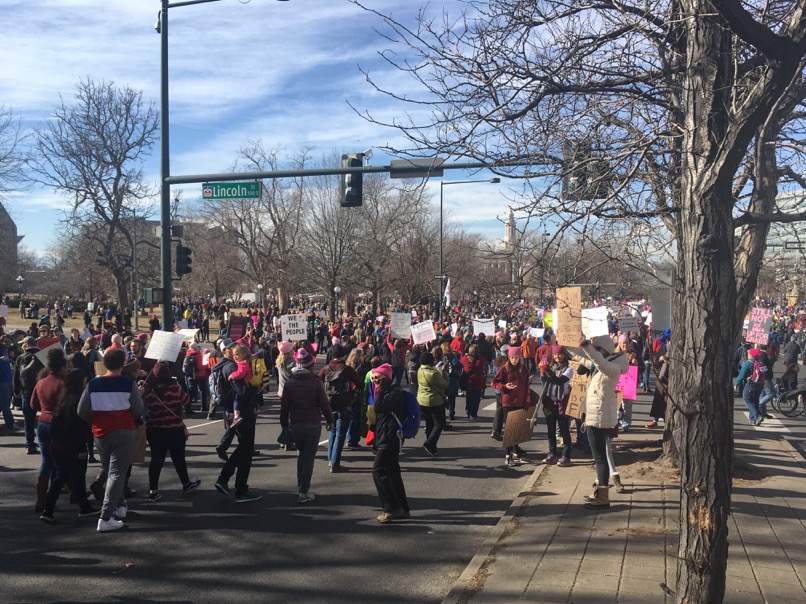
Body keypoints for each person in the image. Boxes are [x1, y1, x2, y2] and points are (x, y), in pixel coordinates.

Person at [77, 347, 144, 532]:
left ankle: (120, 505)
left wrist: (96, 420)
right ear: (122, 364)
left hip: (100, 432)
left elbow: (81, 411)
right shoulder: (128, 383)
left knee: (111, 470)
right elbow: (138, 410)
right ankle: (106, 516)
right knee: (117, 473)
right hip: (123, 430)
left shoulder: (93, 384)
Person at [40, 368, 99, 522]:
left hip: (57, 444)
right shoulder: (78, 400)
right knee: (76, 476)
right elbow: (77, 427)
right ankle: (81, 506)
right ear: (81, 381)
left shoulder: (63, 397)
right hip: (72, 445)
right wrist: (81, 448)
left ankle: (50, 509)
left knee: (61, 476)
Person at [577, 333, 629, 510]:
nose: (595, 352)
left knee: (600, 458)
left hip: (599, 416)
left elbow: (599, 361)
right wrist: (566, 343)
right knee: (599, 457)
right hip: (596, 414)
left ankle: (603, 497)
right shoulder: (603, 364)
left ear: (603, 351)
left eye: (597, 348)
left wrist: (586, 345)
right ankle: (600, 492)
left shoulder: (611, 366)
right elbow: (582, 358)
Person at [142, 362, 201, 502]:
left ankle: (153, 490)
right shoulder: (175, 388)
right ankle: (186, 483)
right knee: (178, 458)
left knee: (156, 459)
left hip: (154, 428)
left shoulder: (148, 391)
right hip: (174, 428)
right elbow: (186, 401)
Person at [280, 348, 333, 503]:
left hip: (295, 423)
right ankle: (304, 490)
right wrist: (330, 420)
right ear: (310, 365)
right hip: (312, 422)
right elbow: (324, 404)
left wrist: (284, 424)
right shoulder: (316, 382)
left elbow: (285, 407)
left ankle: (300, 486)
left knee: (300, 455)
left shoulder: (289, 382)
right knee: (308, 458)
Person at [368, 363, 411, 523]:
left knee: (378, 471)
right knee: (392, 472)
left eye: (377, 378)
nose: (374, 381)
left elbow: (378, 407)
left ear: (386, 377)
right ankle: (403, 508)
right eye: (373, 378)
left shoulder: (394, 392)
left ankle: (391, 508)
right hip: (386, 436)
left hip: (390, 437)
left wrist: (378, 389)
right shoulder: (389, 391)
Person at [30, 347, 68, 513]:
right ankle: (53, 495)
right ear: (63, 365)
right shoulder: (63, 384)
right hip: (58, 424)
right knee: (62, 462)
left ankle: (42, 498)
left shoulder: (41, 382)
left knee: (47, 460)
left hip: (42, 422)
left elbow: (33, 405)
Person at [319, 344, 362, 473]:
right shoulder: (346, 369)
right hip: (344, 405)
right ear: (343, 355)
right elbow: (360, 384)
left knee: (332, 431)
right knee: (340, 434)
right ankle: (335, 463)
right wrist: (353, 394)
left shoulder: (325, 369)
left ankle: (330, 458)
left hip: (328, 405)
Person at [491, 346, 532, 466]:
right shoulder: (504, 368)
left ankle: (515, 452)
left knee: (517, 428)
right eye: (512, 357)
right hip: (508, 401)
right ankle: (508, 454)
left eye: (516, 358)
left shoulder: (523, 369)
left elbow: (525, 387)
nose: (514, 360)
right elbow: (494, 382)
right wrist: (505, 386)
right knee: (509, 428)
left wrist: (527, 401)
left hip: (520, 401)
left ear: (520, 358)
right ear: (509, 358)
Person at [539, 346, 574, 467]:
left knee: (564, 430)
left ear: (564, 355)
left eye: (560, 354)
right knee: (550, 430)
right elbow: (546, 382)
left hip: (561, 402)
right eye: (555, 354)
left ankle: (566, 456)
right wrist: (543, 371)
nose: (557, 356)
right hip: (550, 401)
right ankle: (552, 453)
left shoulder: (568, 369)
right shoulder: (551, 367)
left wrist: (547, 371)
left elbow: (559, 381)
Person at [13, 336, 44, 455]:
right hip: (41, 390)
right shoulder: (43, 355)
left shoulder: (21, 357)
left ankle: (30, 444)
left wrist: (16, 392)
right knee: (45, 417)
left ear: (26, 344)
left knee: (29, 420)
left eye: (22, 344)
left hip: (27, 391)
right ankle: (44, 442)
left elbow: (16, 376)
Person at [416, 351, 449, 457]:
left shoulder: (420, 370)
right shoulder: (433, 373)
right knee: (440, 423)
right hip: (434, 401)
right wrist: (444, 372)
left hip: (422, 400)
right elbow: (445, 384)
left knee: (429, 422)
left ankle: (431, 445)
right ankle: (430, 443)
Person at [736, 347, 766, 426]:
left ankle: (757, 416)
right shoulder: (761, 363)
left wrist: (737, 384)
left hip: (750, 384)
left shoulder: (748, 363)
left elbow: (741, 375)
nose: (747, 355)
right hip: (760, 384)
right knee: (755, 400)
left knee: (747, 400)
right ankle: (753, 419)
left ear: (751, 355)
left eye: (748, 353)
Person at [227, 344, 253, 429]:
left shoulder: (243, 364)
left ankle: (236, 415)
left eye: (237, 354)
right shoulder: (244, 363)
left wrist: (232, 375)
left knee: (237, 399)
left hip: (245, 385)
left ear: (244, 354)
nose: (235, 357)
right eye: (234, 355)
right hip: (246, 385)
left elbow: (240, 374)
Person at [459, 344, 487, 420]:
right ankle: (473, 413)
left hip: (468, 382)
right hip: (478, 382)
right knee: (476, 399)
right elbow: (484, 368)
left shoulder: (464, 359)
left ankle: (468, 411)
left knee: (469, 398)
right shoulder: (481, 360)